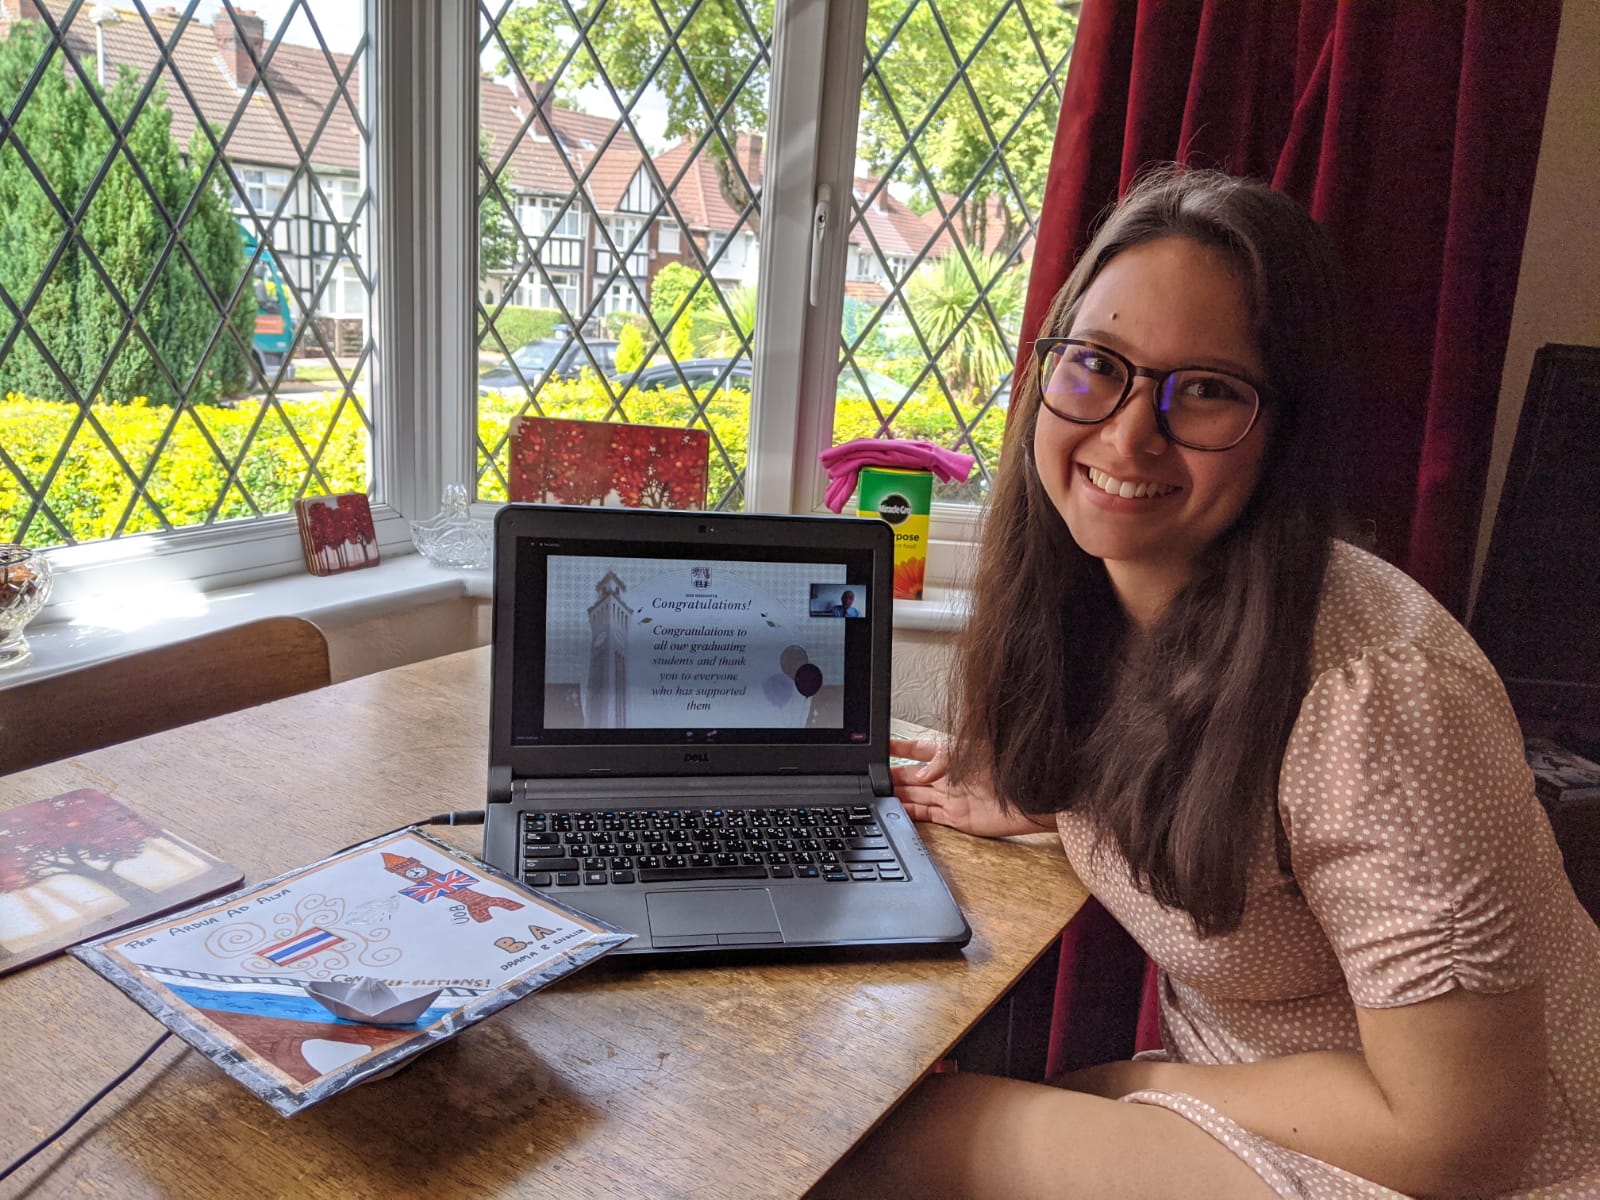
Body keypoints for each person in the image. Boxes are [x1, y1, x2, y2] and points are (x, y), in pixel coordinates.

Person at [813, 167, 1600, 1199]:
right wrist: (1050, 798)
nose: (1129, 435)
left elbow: (1465, 1137)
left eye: (1208, 390)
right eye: (1096, 365)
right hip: (1284, 1100)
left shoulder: (1379, 698)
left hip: (1488, 1168)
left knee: (884, 1145)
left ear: (1287, 430)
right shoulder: (1106, 604)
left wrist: (1140, 1084)